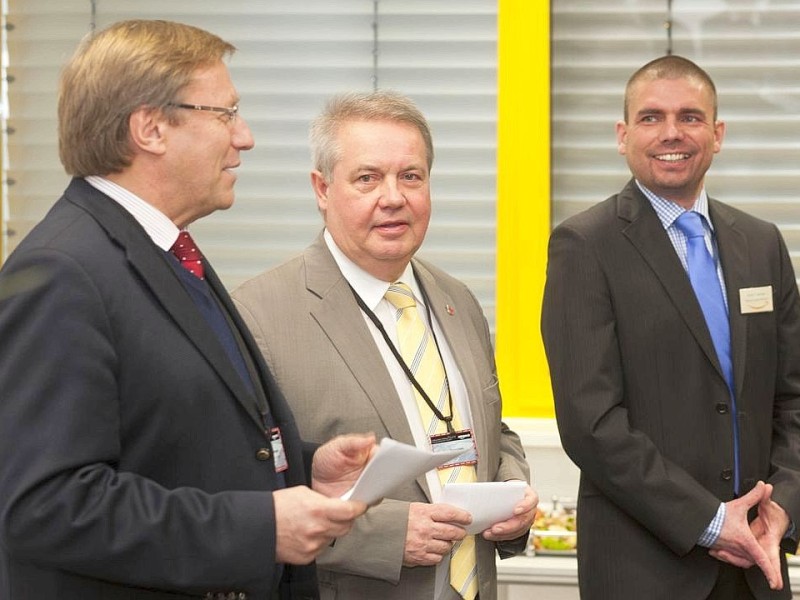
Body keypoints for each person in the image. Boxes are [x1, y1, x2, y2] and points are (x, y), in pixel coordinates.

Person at [0, 20, 378, 599]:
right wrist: (259, 528)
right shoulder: (63, 273)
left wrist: (301, 468)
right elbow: (48, 505)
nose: (245, 136)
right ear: (151, 128)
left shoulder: (167, 250)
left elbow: (172, 439)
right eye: (225, 114)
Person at [231, 90, 537, 600]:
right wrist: (382, 536)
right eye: (368, 178)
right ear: (322, 189)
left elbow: (489, 427)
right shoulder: (259, 316)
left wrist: (513, 490)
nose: (393, 197)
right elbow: (244, 489)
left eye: (410, 177)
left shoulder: (457, 300)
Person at [541, 54, 800, 599]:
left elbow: (794, 398)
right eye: (651, 117)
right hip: (645, 571)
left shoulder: (762, 244)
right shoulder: (585, 246)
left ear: (717, 132)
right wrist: (709, 520)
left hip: (756, 565)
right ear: (623, 134)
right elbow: (592, 423)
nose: (671, 133)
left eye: (690, 116)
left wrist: (782, 508)